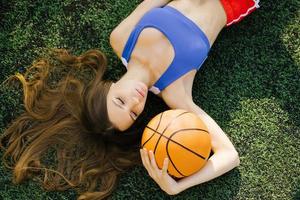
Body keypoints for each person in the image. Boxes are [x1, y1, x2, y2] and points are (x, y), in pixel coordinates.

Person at [0, 0, 259, 199]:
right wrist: (176, 186)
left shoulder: (121, 39)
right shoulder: (175, 91)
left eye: (120, 101)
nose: (136, 102)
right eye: (134, 113)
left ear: (108, 87)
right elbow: (229, 155)